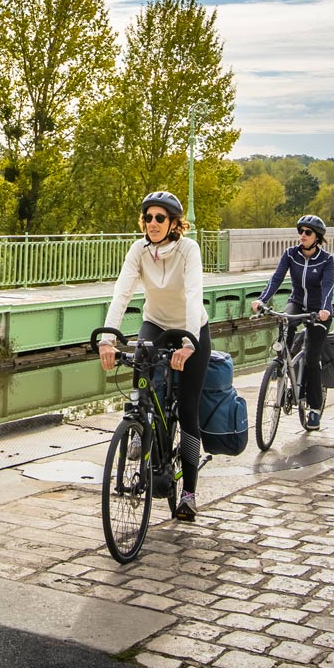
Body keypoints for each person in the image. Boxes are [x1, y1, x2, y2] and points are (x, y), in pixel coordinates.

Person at [98, 190, 209, 522]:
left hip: (192, 330)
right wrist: (107, 338)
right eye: (148, 217)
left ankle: (188, 492)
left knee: (188, 409)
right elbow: (122, 292)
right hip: (156, 324)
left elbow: (193, 295)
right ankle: (139, 429)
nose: (153, 223)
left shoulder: (189, 250)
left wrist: (189, 344)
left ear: (174, 223)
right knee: (141, 374)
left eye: (160, 218)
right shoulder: (139, 250)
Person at [252, 214, 334, 430]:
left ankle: (314, 409)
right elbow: (276, 279)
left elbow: (328, 287)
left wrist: (325, 309)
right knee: (285, 322)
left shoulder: (326, 260)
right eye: (301, 231)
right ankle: (282, 365)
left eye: (308, 232)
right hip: (297, 302)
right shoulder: (290, 254)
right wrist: (262, 299)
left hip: (319, 310)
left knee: (311, 357)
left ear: (317, 237)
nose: (303, 236)